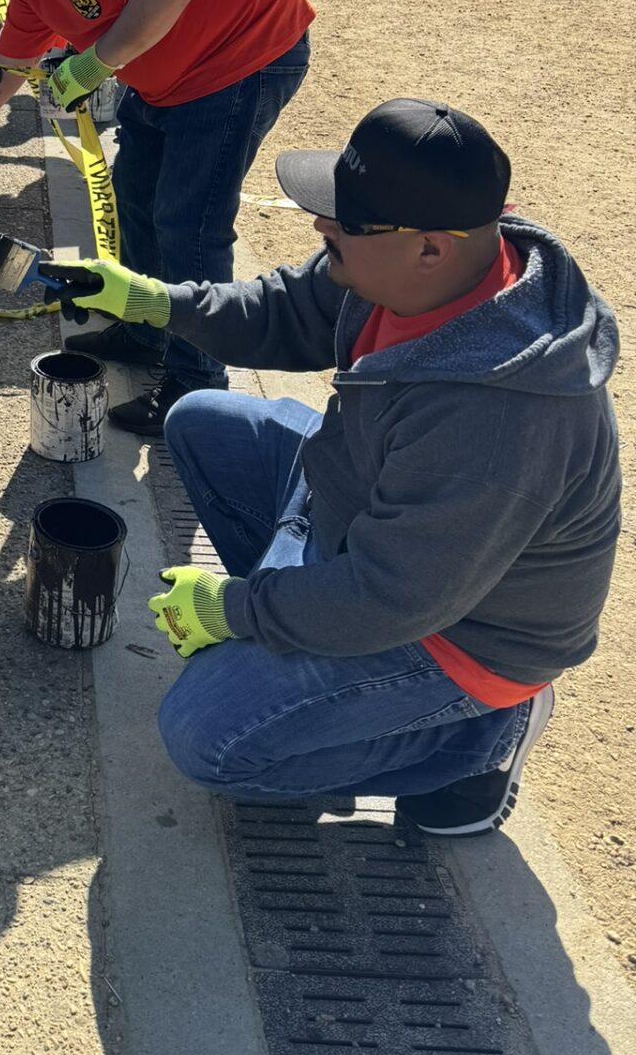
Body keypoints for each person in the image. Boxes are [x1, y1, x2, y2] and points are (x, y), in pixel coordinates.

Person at [42, 100, 622, 837]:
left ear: (431, 248)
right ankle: (302, 628)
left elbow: (393, 597)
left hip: (459, 632)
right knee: (202, 421)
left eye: (345, 220)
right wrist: (156, 302)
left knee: (205, 738)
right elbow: (286, 309)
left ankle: (480, 744)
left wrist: (237, 607)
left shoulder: (501, 413)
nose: (321, 226)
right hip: (377, 530)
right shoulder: (424, 274)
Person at [0, 0, 313, 428]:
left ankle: (196, 382)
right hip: (169, 78)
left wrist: (95, 63)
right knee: (135, 198)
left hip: (243, 53)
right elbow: (6, 70)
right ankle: (147, 329)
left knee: (189, 223)